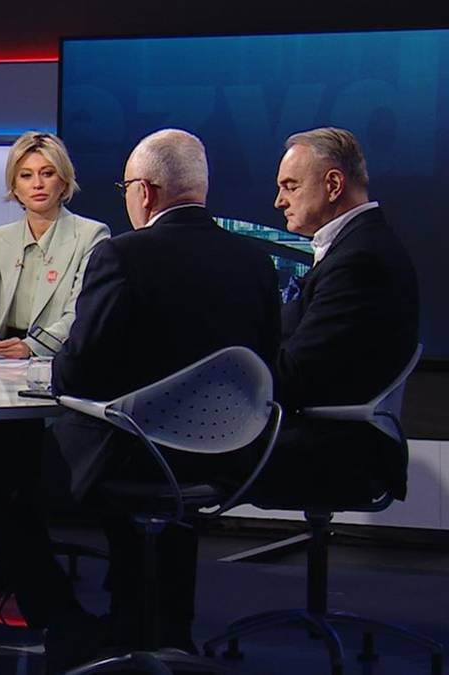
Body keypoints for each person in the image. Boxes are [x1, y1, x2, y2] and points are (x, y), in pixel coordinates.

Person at [44, 129, 280, 663]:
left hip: (136, 454)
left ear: (145, 192)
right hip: (229, 455)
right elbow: (267, 363)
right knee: (156, 471)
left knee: (8, 475)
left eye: (125, 188)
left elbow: (77, 372)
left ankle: (70, 622)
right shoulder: (254, 261)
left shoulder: (121, 256)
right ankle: (166, 631)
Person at [0, 131, 110, 632]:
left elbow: (81, 313)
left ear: (64, 181)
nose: (37, 184)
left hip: (52, 371)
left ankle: (44, 599)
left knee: (9, 488)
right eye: (26, 175)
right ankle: (39, 590)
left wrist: (32, 346)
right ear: (13, 185)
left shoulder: (91, 236)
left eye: (47, 173)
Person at [254, 127, 418, 503]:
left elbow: (300, 375)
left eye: (290, 186)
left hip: (340, 448)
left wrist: (227, 381)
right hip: (323, 431)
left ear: (332, 184)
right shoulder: (356, 247)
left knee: (177, 448)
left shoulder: (361, 259)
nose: (279, 201)